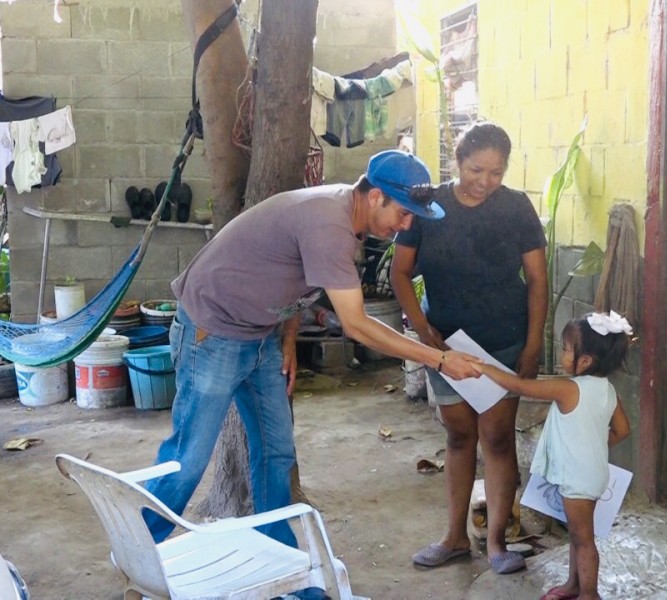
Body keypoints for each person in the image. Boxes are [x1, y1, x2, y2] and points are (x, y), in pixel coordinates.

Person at [143, 149, 481, 548]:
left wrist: (288, 340)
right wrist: (440, 359)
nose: (406, 225)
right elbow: (357, 325)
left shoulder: (346, 216)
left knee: (276, 454)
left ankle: (277, 558)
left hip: (259, 336)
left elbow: (292, 273)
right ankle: (141, 556)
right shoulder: (328, 222)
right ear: (375, 197)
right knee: (189, 459)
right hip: (212, 331)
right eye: (403, 213)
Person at [391, 121, 549, 575]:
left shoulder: (516, 209)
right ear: (457, 161)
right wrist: (423, 333)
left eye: (496, 172)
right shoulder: (429, 207)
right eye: (477, 169)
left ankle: (498, 541)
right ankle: (455, 537)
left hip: (503, 342)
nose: (485, 181)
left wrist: (533, 343)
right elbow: (401, 274)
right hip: (447, 345)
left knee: (497, 439)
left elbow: (537, 280)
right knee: (459, 436)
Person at [476, 312, 632, 600]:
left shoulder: (568, 388)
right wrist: (593, 444)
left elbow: (520, 386)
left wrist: (484, 367)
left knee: (583, 540)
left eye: (567, 349)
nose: (563, 354)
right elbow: (623, 430)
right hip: (593, 474)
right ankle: (575, 585)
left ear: (585, 361)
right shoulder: (608, 391)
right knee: (578, 534)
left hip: (577, 481)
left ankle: (589, 594)